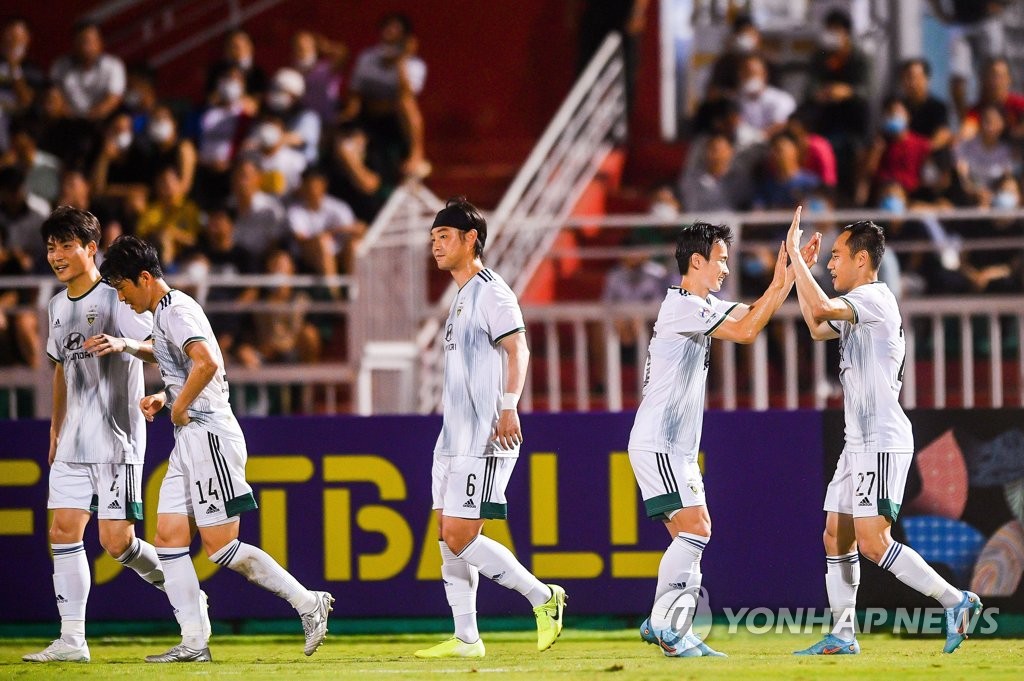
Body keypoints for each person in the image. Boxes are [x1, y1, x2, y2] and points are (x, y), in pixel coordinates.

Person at [98, 235, 333, 662]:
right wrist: (164, 394)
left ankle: (308, 602)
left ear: (145, 278)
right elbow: (179, 360)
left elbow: (207, 362)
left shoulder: (178, 310)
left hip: (209, 436)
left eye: (123, 286)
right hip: (190, 437)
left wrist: (179, 405)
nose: (121, 296)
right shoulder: (167, 314)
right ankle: (193, 642)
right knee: (168, 540)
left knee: (221, 548)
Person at [785, 216, 983, 655]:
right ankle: (843, 634)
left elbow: (820, 310)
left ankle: (957, 600)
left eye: (836, 256)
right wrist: (798, 272)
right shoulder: (858, 304)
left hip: (880, 438)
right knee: (835, 534)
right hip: (858, 440)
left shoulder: (874, 298)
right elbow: (818, 327)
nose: (831, 264)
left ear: (861, 259)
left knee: (875, 542)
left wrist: (798, 259)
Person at [633, 211, 806, 658]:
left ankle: (676, 632)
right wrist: (783, 281)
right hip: (661, 442)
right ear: (696, 262)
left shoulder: (698, 306)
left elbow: (749, 315)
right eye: (721, 259)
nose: (727, 269)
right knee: (698, 530)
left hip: (675, 447)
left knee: (690, 539)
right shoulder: (683, 306)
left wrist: (785, 278)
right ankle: (662, 623)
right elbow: (748, 331)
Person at [21, 207, 179, 663]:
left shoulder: (117, 296)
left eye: (66, 245)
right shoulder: (54, 307)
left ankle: (185, 593)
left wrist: (124, 344)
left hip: (117, 438)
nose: (56, 255)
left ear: (91, 249)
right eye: (51, 247)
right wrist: (55, 427)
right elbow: (59, 371)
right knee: (62, 531)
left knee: (116, 542)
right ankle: (72, 640)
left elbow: (160, 348)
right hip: (72, 439)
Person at [414, 197, 566, 659]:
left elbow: (518, 349)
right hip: (455, 435)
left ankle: (544, 597)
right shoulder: (461, 295)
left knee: (461, 535)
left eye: (444, 237)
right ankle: (466, 638)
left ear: (469, 239)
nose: (436, 246)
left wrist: (508, 406)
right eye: (433, 239)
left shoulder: (491, 290)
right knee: (447, 535)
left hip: (485, 434)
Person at [49, 21, 125, 122]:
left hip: (101, 122)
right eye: (82, 41)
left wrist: (88, 119)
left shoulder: (113, 66)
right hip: (67, 121)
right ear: (74, 44)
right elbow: (54, 96)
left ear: (100, 43)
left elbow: (113, 100)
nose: (86, 47)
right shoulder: (60, 66)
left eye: (90, 41)